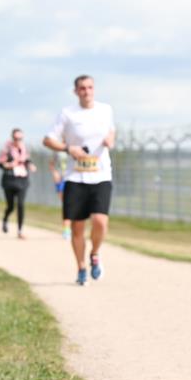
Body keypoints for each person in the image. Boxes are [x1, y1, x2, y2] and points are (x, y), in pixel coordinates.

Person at [43, 76, 116, 285]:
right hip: (75, 177)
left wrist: (110, 138)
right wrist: (68, 148)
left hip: (101, 174)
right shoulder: (68, 114)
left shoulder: (105, 110)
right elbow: (48, 139)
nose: (87, 91)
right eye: (82, 88)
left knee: (101, 221)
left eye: (90, 87)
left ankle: (95, 254)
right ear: (76, 91)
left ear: (95, 89)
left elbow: (111, 129)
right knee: (77, 226)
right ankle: (81, 267)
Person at [0, 128, 37, 239]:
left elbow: (27, 160)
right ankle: (5, 219)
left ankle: (20, 230)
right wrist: (8, 165)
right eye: (16, 138)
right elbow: (0, 163)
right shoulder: (6, 149)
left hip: (22, 180)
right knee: (10, 206)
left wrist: (31, 165)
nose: (18, 140)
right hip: (9, 180)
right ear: (12, 138)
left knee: (20, 204)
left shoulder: (25, 148)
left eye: (20, 138)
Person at [49, 150, 71, 239]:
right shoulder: (57, 150)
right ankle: (67, 229)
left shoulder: (77, 145)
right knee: (66, 204)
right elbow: (51, 163)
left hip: (73, 178)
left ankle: (74, 227)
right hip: (61, 179)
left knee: (74, 204)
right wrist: (55, 173)